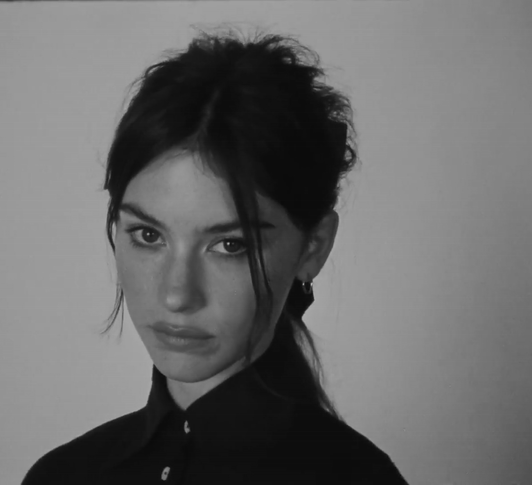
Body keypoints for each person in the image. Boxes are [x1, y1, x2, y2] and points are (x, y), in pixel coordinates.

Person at [22, 26, 408, 485]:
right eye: (148, 235)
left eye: (230, 245)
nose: (176, 295)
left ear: (313, 247)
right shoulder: (64, 475)